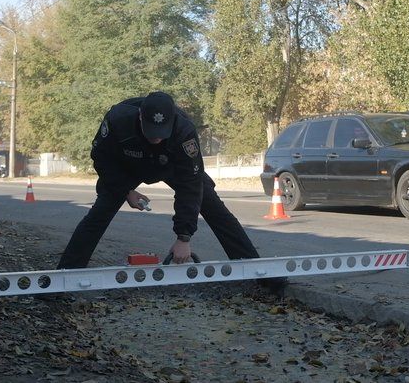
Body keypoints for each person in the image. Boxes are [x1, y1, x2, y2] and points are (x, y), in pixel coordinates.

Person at [56, 91, 287, 294]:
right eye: (151, 131)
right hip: (126, 167)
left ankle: (258, 272)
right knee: (99, 214)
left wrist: (183, 237)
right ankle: (63, 277)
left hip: (171, 166)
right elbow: (102, 159)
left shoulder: (184, 130)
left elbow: (190, 184)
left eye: (161, 132)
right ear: (140, 117)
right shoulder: (118, 119)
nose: (156, 137)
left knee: (215, 209)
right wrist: (126, 190)